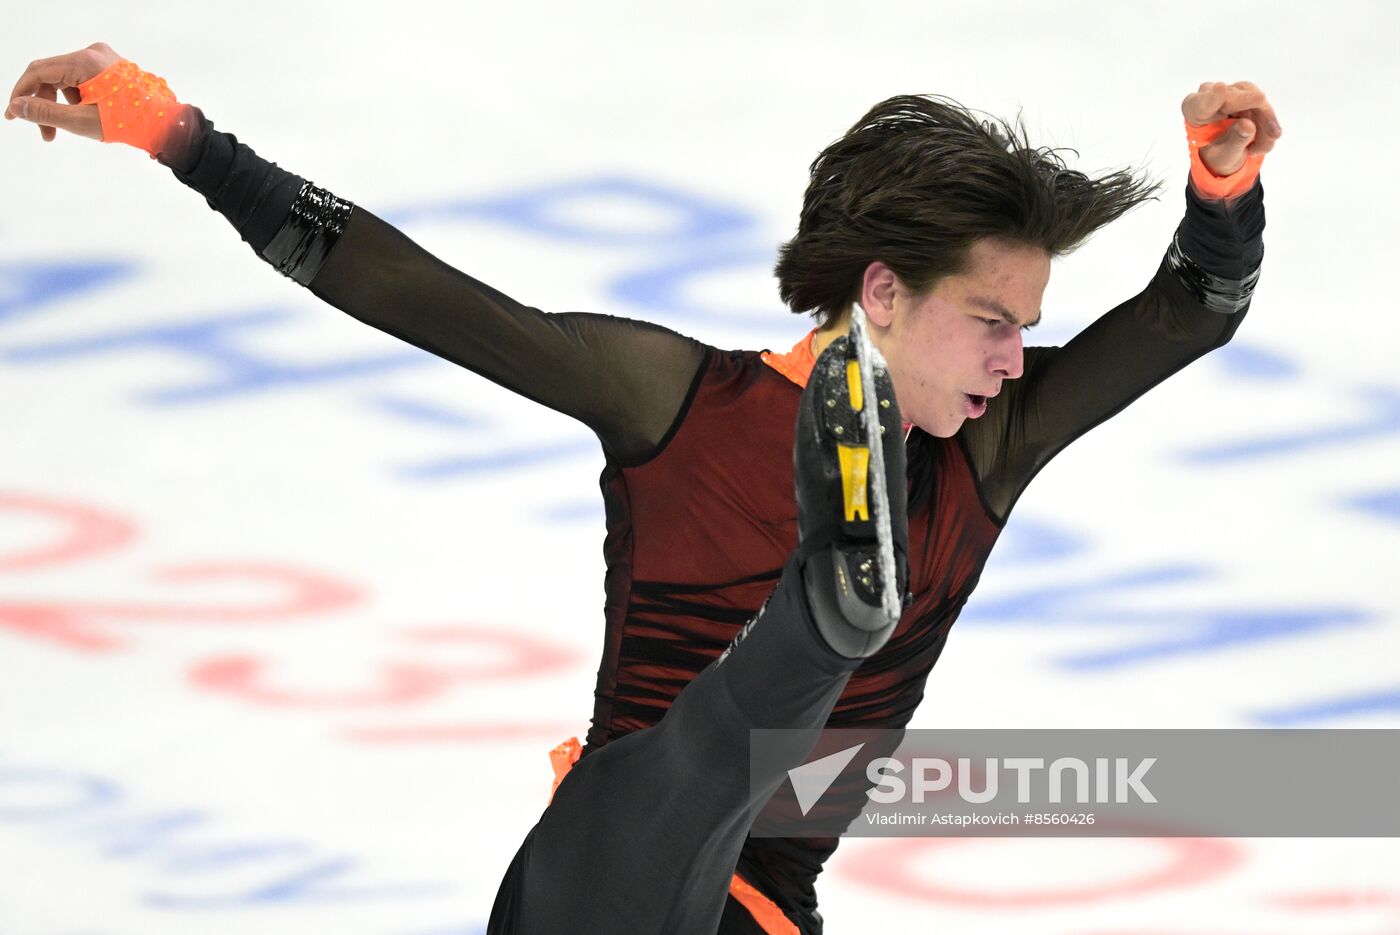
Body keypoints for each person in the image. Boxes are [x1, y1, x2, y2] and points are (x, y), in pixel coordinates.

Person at [6, 43, 1279, 934]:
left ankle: (825, 612)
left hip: (757, 909)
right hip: (601, 878)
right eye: (991, 321)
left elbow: (1190, 313)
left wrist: (1220, 196)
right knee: (682, 769)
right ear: (880, 292)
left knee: (723, 793)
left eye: (1028, 328)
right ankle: (826, 609)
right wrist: (180, 137)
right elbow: (417, 292)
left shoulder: (986, 448)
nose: (1015, 361)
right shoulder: (680, 403)